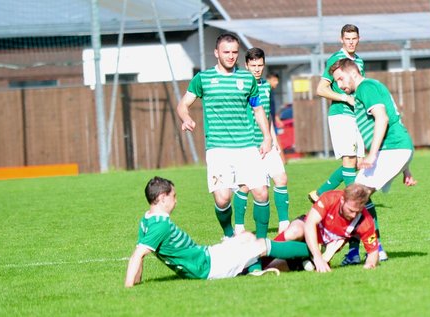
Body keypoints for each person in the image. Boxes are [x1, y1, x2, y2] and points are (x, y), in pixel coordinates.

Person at [124, 177, 311, 287]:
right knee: (260, 245)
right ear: (163, 198)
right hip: (209, 267)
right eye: (174, 196)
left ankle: (256, 269)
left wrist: (137, 284)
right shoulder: (160, 226)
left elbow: (137, 254)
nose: (176, 201)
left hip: (207, 256)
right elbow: (138, 255)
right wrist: (129, 288)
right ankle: (313, 252)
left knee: (246, 237)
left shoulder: (147, 219)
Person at [176, 33, 272, 241]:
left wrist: (267, 137)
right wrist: (186, 118)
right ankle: (230, 236)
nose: (231, 56)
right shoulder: (204, 79)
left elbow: (258, 110)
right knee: (222, 199)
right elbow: (183, 105)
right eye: (226, 52)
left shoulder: (247, 79)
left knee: (262, 193)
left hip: (246, 145)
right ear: (216, 53)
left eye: (234, 52)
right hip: (218, 148)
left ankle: (263, 244)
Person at [329, 58, 417, 265]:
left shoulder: (365, 87)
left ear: (352, 72)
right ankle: (368, 249)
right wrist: (406, 170)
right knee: (358, 197)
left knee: (354, 197)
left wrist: (372, 154)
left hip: (391, 150)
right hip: (394, 150)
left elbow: (383, 118)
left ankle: (366, 249)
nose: (340, 86)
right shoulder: (370, 87)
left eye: (341, 79)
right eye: (336, 82)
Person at [233, 47, 290, 236]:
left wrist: (275, 142)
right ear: (246, 65)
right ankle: (239, 226)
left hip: (268, 143)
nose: (257, 69)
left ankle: (284, 224)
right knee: (246, 186)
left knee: (281, 178)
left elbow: (267, 116)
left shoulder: (266, 86)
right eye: (253, 66)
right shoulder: (239, 86)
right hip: (249, 145)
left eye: (260, 65)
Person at [308, 24, 365, 203]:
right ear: (341, 39)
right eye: (347, 39)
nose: (351, 42)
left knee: (357, 163)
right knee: (349, 159)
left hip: (356, 115)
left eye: (354, 38)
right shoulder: (336, 59)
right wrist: (344, 98)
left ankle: (320, 193)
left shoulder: (360, 61)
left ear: (358, 39)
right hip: (341, 114)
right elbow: (321, 89)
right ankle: (353, 201)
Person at [269, 183, 380, 272]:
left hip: (321, 249)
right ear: (342, 200)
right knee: (294, 231)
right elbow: (309, 224)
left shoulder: (365, 220)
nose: (353, 215)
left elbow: (373, 253)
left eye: (358, 212)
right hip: (307, 231)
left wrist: (370, 265)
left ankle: (258, 266)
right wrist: (317, 257)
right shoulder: (330, 198)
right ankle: (259, 256)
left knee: (273, 268)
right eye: (351, 210)